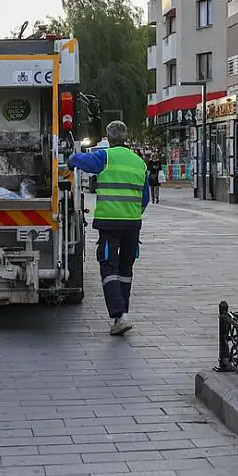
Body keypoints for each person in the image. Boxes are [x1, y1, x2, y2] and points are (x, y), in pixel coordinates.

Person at [68, 121, 150, 336]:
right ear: (126, 137)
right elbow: (145, 197)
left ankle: (119, 315)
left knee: (108, 267)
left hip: (109, 224)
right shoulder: (139, 162)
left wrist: (69, 157)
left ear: (108, 137)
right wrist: (132, 211)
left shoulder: (105, 156)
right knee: (126, 269)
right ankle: (123, 313)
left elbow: (77, 160)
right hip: (133, 224)